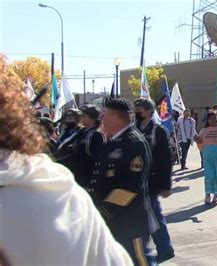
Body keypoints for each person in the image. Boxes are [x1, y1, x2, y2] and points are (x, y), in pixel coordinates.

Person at [0, 54, 132, 265]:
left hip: (88, 186)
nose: (73, 119)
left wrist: (96, 192)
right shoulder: (66, 147)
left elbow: (100, 162)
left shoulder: (57, 188)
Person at [90, 97, 157, 265]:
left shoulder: (133, 142)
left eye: (104, 115)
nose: (101, 119)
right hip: (116, 219)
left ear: (116, 117)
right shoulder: (114, 140)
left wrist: (103, 211)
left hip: (130, 221)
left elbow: (129, 187)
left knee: (139, 261)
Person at [134, 98, 175, 263]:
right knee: (143, 217)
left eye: (140, 109)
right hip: (136, 182)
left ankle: (164, 248)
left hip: (151, 182)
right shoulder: (134, 129)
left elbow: (166, 160)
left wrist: (166, 185)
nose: (137, 112)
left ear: (149, 111)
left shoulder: (158, 130)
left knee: (154, 217)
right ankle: (146, 250)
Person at [56, 104, 106, 189]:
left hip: (88, 176)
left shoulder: (96, 134)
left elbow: (95, 158)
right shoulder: (81, 131)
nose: (81, 118)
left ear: (93, 117)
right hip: (78, 173)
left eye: (84, 116)